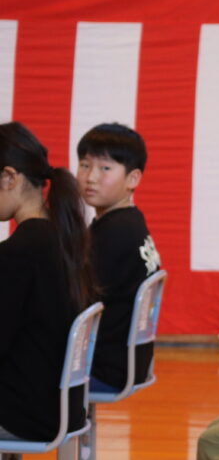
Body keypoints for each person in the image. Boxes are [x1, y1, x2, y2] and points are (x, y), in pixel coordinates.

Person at [0, 122, 94, 441]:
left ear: (9, 178)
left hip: (27, 413)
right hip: (63, 404)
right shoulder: (63, 237)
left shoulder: (19, 251)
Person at [75, 123, 162, 394]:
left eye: (105, 168)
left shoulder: (113, 234)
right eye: (85, 165)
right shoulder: (131, 222)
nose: (91, 177)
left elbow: (74, 303)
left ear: (132, 179)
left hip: (101, 368)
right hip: (129, 362)